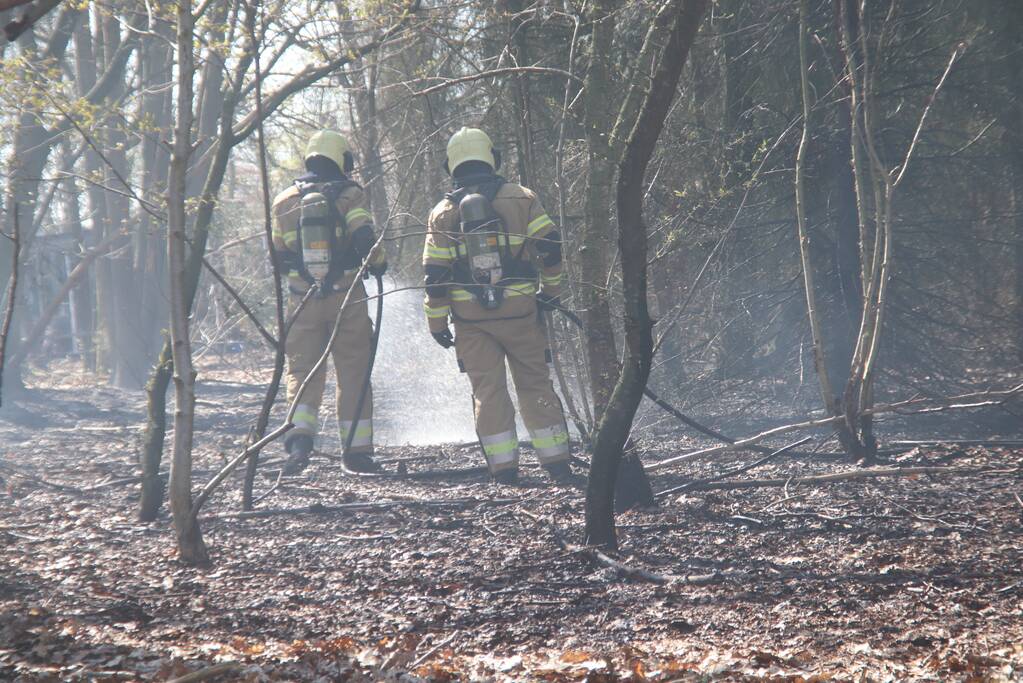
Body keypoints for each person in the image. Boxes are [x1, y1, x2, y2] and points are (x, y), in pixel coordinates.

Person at [422, 127, 573, 485]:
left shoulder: (442, 213)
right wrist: (551, 293)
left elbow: (435, 276)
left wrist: (436, 322)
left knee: (487, 391)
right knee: (535, 384)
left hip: (471, 321)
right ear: (492, 157)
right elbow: (551, 247)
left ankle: (504, 470)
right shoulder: (522, 198)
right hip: (522, 312)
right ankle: (557, 465)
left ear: (451, 165)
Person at [271, 130, 387, 474]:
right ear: (341, 160)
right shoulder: (351, 195)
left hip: (302, 300)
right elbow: (365, 238)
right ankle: (356, 452)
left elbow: (278, 258)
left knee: (302, 371)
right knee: (354, 371)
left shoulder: (283, 200)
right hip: (346, 298)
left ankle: (299, 443)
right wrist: (379, 263)